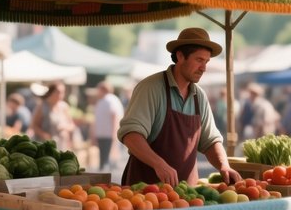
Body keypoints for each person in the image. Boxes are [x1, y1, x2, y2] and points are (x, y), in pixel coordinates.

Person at [118, 27, 242, 187]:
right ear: (180, 56)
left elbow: (210, 140)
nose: (204, 68)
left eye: (206, 61)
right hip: (145, 194)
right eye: (199, 60)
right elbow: (131, 135)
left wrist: (224, 165)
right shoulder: (151, 88)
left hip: (186, 195)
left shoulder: (200, 97)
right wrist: (159, 164)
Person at [31, 81, 75, 150]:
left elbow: (72, 125)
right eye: (58, 92)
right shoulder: (42, 106)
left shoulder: (64, 106)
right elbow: (33, 125)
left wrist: (64, 127)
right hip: (43, 145)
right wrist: (44, 135)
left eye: (62, 92)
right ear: (51, 92)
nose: (60, 95)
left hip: (60, 144)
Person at [92, 80, 124, 171]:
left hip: (108, 134)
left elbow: (115, 116)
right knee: (103, 158)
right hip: (103, 134)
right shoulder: (103, 101)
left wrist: (114, 132)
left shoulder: (110, 100)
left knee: (107, 160)